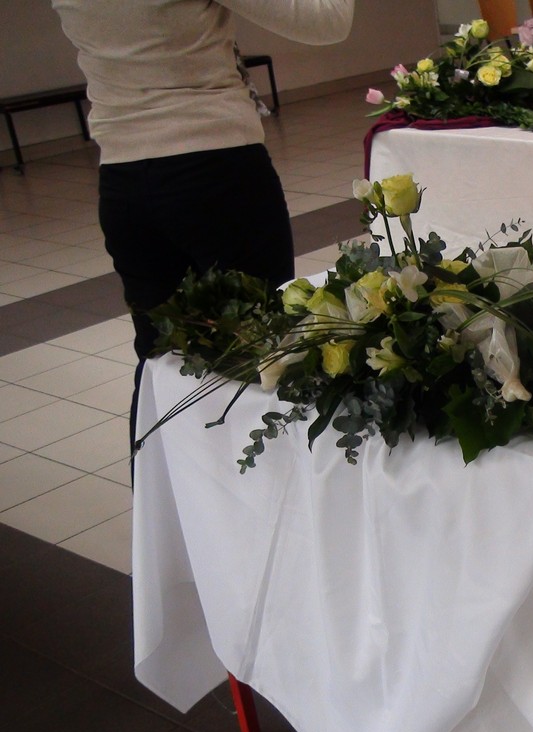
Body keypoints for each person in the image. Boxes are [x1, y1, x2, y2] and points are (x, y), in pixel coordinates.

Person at [51, 0, 356, 446]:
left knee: (159, 363)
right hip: (216, 171)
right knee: (261, 357)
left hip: (123, 180)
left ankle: (166, 485)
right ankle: (262, 481)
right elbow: (327, 22)